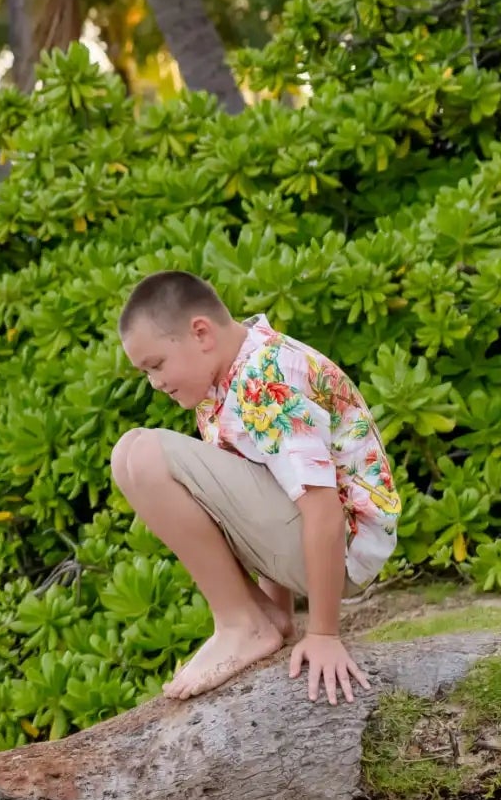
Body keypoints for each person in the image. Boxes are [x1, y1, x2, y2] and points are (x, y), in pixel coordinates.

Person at [110, 271, 400, 705]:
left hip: (341, 554)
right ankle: (263, 619)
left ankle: (241, 625)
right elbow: (268, 492)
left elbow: (322, 509)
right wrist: (283, 615)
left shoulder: (265, 378)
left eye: (156, 365)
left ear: (200, 333)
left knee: (146, 454)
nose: (155, 382)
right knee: (127, 453)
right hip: (314, 549)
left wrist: (323, 634)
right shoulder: (224, 383)